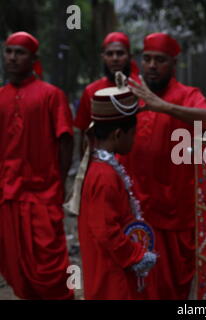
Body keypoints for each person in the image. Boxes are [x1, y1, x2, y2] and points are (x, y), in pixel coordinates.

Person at [122, 32, 206, 299]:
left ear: (173, 64)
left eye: (160, 60)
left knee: (170, 288)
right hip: (137, 211)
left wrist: (162, 106)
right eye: (147, 58)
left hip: (175, 213)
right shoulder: (132, 95)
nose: (152, 65)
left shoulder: (188, 95)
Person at [0, 31, 74, 299]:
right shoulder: (1, 96)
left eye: (19, 52)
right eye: (8, 51)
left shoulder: (51, 95)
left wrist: (60, 181)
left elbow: (66, 140)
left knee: (50, 266)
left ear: (34, 59)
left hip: (43, 194)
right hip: (8, 194)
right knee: (14, 264)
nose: (11, 58)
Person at [77, 83, 157, 299]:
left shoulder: (102, 168)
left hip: (109, 267)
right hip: (111, 276)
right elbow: (106, 230)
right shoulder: (104, 176)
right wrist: (137, 255)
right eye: (134, 133)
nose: (135, 138)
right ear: (118, 134)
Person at [74, 32, 140, 155]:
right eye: (110, 54)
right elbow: (84, 132)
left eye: (120, 53)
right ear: (103, 57)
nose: (115, 58)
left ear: (130, 57)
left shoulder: (140, 88)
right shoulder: (91, 91)